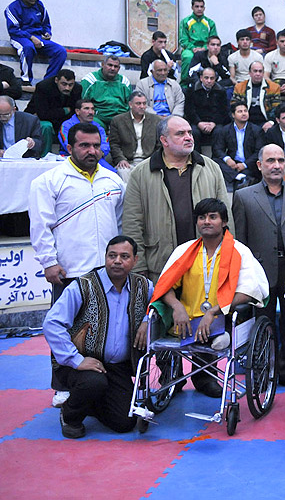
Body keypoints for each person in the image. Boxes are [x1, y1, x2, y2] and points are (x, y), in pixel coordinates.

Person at [30, 121, 125, 406]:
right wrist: (49, 262)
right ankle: (62, 384)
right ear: (69, 148)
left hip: (107, 273)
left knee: (105, 331)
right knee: (65, 329)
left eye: (96, 146)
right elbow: (40, 225)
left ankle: (101, 382)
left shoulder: (114, 181)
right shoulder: (49, 181)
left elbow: (119, 224)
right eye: (84, 146)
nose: (91, 151)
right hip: (69, 271)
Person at [150, 198, 268, 398]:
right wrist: (176, 306)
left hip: (221, 321)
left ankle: (205, 379)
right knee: (159, 320)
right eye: (202, 217)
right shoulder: (184, 250)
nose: (206, 221)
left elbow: (253, 290)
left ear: (223, 222)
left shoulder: (239, 251)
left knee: (216, 333)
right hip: (184, 322)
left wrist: (215, 310)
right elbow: (164, 286)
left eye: (213, 217)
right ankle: (171, 377)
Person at [43, 236, 152, 438]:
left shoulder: (143, 286)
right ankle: (70, 416)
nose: (117, 261)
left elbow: (159, 303)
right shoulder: (83, 286)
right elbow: (52, 323)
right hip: (80, 365)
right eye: (112, 256)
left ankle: (89, 402)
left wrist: (147, 320)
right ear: (105, 258)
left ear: (135, 260)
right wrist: (76, 360)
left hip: (117, 367)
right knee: (93, 383)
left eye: (124, 256)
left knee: (124, 423)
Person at [233, 144, 285, 383]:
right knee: (262, 324)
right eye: (270, 160)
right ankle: (261, 371)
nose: (276, 165)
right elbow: (241, 241)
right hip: (260, 273)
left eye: (280, 160)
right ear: (260, 165)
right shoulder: (244, 197)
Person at [123, 115, 228, 282]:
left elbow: (226, 218)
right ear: (164, 140)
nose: (188, 137)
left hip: (207, 266)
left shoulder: (211, 168)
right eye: (180, 134)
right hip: (161, 266)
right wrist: (139, 266)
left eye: (189, 133)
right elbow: (132, 223)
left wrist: (227, 258)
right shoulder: (141, 174)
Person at [5, 0, 67, 83]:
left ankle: (48, 81)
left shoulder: (39, 5)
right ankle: (26, 80)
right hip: (20, 37)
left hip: (38, 37)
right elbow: (13, 30)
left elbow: (46, 23)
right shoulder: (12, 8)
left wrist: (47, 33)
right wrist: (31, 37)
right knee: (28, 47)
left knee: (61, 51)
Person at [108, 91, 162, 183]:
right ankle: (129, 197)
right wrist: (121, 159)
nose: (142, 106)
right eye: (138, 103)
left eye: (144, 103)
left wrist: (154, 160)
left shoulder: (155, 120)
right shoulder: (118, 121)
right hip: (128, 161)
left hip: (149, 160)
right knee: (123, 171)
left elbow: (159, 145)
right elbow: (114, 144)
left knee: (159, 172)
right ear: (130, 104)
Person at [25, 68, 81, 153]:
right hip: (37, 118)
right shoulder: (43, 87)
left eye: (70, 85)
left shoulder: (77, 89)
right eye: (64, 84)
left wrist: (59, 112)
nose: (67, 88)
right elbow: (43, 114)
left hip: (60, 119)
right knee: (47, 126)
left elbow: (74, 111)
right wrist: (64, 111)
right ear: (56, 80)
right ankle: (44, 155)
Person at [213, 101, 264, 192]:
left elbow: (259, 151)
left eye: (245, 111)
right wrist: (227, 159)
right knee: (215, 161)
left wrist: (244, 165)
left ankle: (238, 177)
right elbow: (218, 149)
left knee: (257, 164)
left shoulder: (257, 130)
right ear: (233, 115)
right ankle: (239, 177)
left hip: (249, 164)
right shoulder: (225, 130)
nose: (244, 113)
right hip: (233, 163)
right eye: (240, 111)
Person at [58, 98, 112, 170]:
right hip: (71, 159)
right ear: (77, 111)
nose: (91, 112)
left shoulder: (98, 127)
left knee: (113, 174)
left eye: (92, 109)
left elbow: (105, 143)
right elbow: (67, 143)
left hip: (95, 159)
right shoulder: (67, 125)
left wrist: (98, 152)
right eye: (86, 109)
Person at [80, 55, 132, 129]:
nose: (112, 68)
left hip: (120, 117)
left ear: (119, 68)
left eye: (116, 66)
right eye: (110, 65)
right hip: (98, 117)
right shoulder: (90, 80)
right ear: (102, 64)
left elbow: (131, 103)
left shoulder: (124, 81)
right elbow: (81, 103)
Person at [184, 66, 230, 146]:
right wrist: (199, 123)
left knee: (219, 131)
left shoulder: (221, 91)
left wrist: (214, 123)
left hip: (215, 122)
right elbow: (189, 110)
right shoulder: (192, 91)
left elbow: (223, 110)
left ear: (215, 79)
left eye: (212, 78)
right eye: (206, 78)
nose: (209, 81)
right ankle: (196, 156)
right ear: (201, 78)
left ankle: (217, 157)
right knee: (194, 132)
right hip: (197, 122)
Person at [232, 60, 281, 130]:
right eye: (255, 71)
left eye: (260, 71)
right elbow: (234, 106)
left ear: (263, 73)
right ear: (249, 73)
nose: (258, 74)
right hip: (245, 121)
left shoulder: (274, 87)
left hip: (265, 121)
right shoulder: (239, 87)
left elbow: (277, 108)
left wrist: (271, 122)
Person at [179, 0, 218, 82]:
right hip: (190, 48)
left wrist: (204, 48)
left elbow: (214, 39)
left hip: (206, 48)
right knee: (187, 57)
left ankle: (210, 82)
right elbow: (183, 40)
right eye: (197, 6)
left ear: (204, 8)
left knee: (214, 57)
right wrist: (193, 48)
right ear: (192, 7)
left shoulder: (210, 23)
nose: (199, 9)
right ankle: (185, 83)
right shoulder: (185, 22)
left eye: (201, 6)